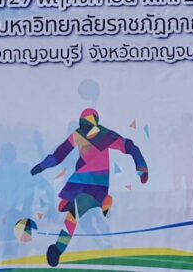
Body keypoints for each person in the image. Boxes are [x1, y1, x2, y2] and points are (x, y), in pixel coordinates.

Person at [31, 108, 149, 266]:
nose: (87, 133)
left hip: (93, 184)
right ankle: (103, 204)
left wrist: (141, 167)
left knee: (74, 214)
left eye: (88, 128)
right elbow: (59, 155)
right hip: (81, 182)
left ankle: (59, 248)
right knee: (72, 212)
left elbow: (129, 147)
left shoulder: (103, 136)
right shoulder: (83, 135)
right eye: (84, 127)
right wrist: (41, 166)